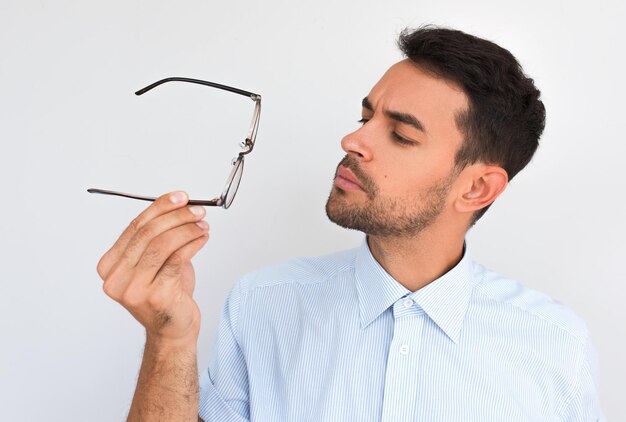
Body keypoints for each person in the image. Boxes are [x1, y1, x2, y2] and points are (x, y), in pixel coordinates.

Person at [96, 26, 604, 421]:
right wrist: (169, 339)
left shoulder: (552, 340)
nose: (352, 141)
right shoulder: (262, 303)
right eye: (366, 118)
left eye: (401, 135)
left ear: (476, 189)